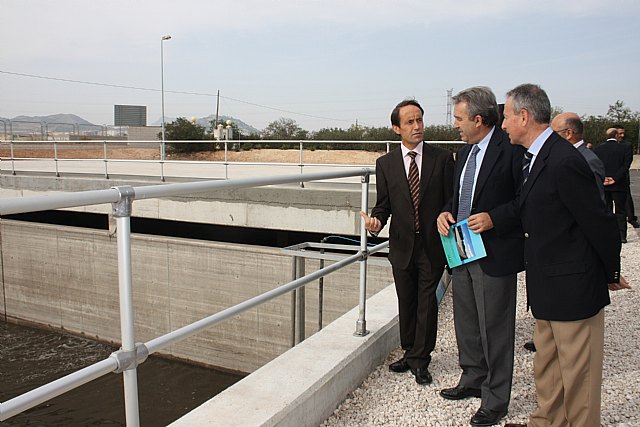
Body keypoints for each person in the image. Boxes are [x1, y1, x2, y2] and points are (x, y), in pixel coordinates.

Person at [500, 84, 629, 427]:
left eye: (506, 117)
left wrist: (609, 273)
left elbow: (598, 223)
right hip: (547, 285)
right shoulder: (538, 157)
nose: (503, 125)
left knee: (579, 376)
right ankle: (547, 421)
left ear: (524, 117)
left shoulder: (564, 161)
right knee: (549, 367)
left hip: (573, 288)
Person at [436, 87, 524, 427]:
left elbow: (524, 200)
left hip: (495, 251)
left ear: (478, 119)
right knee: (467, 320)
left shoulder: (511, 151)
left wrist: (494, 218)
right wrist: (444, 213)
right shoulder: (464, 152)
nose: (455, 125)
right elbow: (456, 197)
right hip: (461, 248)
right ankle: (472, 377)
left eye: (459, 119)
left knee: (496, 328)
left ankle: (496, 398)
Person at [360, 99, 454, 385]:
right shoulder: (385, 164)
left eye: (420, 120)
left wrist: (446, 212)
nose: (417, 127)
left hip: (432, 245)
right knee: (407, 301)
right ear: (396, 128)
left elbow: (451, 198)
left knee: (427, 301)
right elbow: (383, 205)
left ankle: (421, 359)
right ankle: (409, 350)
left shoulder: (442, 158)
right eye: (410, 122)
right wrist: (376, 223)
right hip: (401, 245)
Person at [523, 112, 608, 353]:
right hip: (551, 274)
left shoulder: (576, 160)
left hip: (571, 274)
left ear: (568, 134)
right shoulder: (554, 158)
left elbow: (594, 217)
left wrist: (608, 270)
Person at [594, 128, 632, 242]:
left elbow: (597, 165)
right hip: (619, 184)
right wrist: (615, 178)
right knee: (620, 211)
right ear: (616, 136)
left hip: (604, 184)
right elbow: (626, 166)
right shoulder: (625, 148)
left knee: (607, 210)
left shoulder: (598, 149)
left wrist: (604, 178)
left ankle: (609, 234)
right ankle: (622, 236)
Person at [615, 125, 640, 228]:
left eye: (623, 133)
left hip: (623, 175)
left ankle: (631, 218)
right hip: (609, 177)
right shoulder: (607, 145)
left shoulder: (626, 145)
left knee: (627, 198)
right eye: (620, 133)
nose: (622, 135)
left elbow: (627, 162)